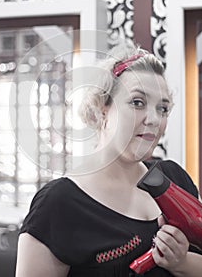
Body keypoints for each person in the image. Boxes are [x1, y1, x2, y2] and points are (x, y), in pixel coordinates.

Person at [15, 43, 202, 277]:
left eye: (162, 108)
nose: (154, 119)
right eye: (137, 102)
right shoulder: (58, 204)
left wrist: (180, 262)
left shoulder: (173, 179)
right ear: (103, 108)